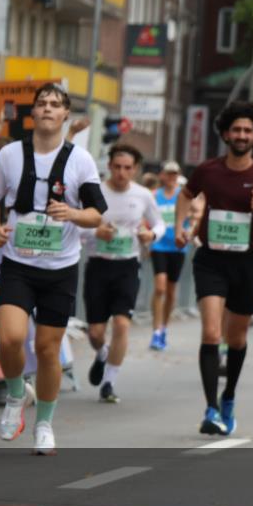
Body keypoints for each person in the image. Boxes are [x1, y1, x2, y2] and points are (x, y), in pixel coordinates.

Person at [0, 83, 106, 454]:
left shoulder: (80, 161)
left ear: (65, 115)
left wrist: (71, 212)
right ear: (33, 113)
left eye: (56, 104)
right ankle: (16, 394)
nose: (49, 109)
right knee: (9, 338)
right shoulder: (9, 155)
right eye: (42, 104)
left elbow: (96, 213)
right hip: (19, 263)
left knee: (48, 349)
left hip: (60, 267)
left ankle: (44, 424)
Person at [175, 101, 253, 436]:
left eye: (248, 131)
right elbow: (186, 195)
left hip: (247, 262)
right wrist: (179, 226)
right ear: (226, 133)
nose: (241, 135)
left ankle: (228, 397)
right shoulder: (208, 170)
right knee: (212, 332)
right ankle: (211, 408)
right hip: (211, 259)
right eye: (236, 129)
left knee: (237, 337)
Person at [83, 145, 165, 403]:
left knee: (121, 324)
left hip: (127, 266)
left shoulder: (142, 195)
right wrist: (95, 232)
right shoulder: (96, 192)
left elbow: (160, 223)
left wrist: (151, 235)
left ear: (136, 170)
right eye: (117, 167)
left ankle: (109, 382)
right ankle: (102, 353)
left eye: (127, 168)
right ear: (109, 166)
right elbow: (76, 224)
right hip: (98, 264)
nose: (121, 172)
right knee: (95, 332)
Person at [149, 161, 192, 350]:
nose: (172, 178)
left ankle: (164, 326)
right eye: (169, 174)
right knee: (160, 287)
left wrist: (190, 230)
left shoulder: (182, 196)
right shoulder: (154, 196)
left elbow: (194, 215)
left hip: (177, 247)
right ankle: (156, 330)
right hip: (158, 246)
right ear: (162, 176)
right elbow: (145, 216)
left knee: (171, 291)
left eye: (175, 174)